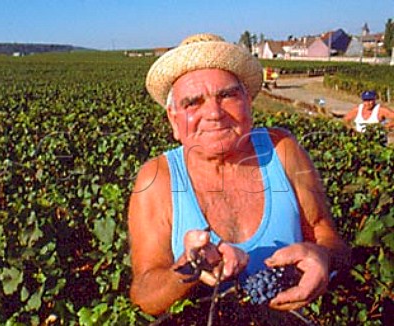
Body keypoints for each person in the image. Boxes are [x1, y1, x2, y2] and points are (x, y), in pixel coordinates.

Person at [128, 33, 350, 316]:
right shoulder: (157, 178)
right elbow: (144, 295)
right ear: (174, 119)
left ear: (248, 102)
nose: (214, 113)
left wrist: (324, 257)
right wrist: (189, 267)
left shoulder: (282, 150)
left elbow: (330, 240)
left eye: (227, 95)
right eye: (193, 102)